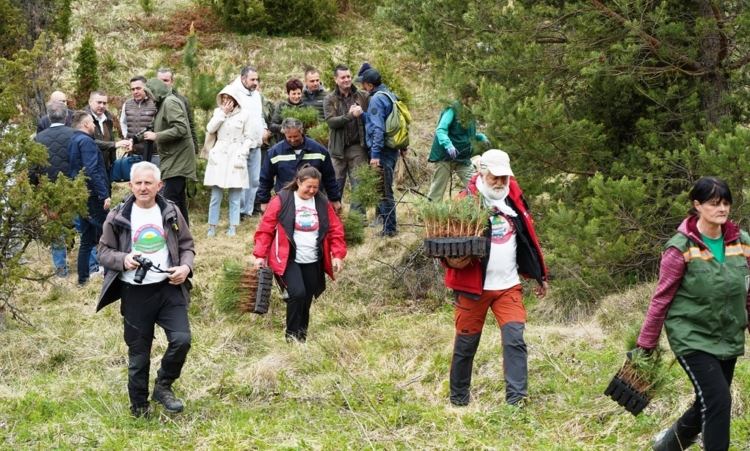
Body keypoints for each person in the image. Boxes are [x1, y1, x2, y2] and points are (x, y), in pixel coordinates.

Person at [635, 177, 750, 451]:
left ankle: (666, 447)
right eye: (714, 203)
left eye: (725, 203)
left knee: (707, 401)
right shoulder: (681, 248)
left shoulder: (742, 243)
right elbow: (661, 299)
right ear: (697, 205)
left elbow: (748, 295)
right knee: (719, 399)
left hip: (727, 335)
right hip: (692, 336)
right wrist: (645, 345)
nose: (722, 209)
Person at [441, 149, 548, 407]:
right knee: (466, 346)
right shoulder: (464, 202)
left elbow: (528, 238)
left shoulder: (514, 200)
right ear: (482, 173)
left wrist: (539, 274)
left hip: (508, 286)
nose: (500, 183)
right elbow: (445, 245)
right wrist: (452, 260)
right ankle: (458, 402)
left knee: (515, 340)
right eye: (495, 178)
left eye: (505, 178)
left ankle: (517, 402)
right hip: (471, 288)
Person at [96, 161, 194, 419]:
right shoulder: (118, 215)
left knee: (182, 340)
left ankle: (163, 386)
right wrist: (123, 260)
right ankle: (139, 407)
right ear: (130, 185)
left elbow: (187, 246)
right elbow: (103, 251)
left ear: (159, 185)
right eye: (138, 183)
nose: (143, 187)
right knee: (139, 354)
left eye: (148, 183)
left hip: (168, 288)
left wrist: (185, 268)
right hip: (135, 291)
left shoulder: (171, 211)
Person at [253, 165, 346, 342]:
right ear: (298, 182)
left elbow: (335, 230)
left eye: (316, 187)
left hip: (313, 259)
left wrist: (338, 255)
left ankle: (301, 337)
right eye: (308, 186)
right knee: (297, 293)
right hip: (287, 258)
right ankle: (291, 337)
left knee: (306, 300)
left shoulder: (321, 202)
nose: (312, 191)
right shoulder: (282, 199)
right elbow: (265, 229)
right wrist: (259, 255)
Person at [142, 78, 196, 226]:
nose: (149, 98)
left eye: (150, 94)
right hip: (173, 157)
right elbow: (153, 126)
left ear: (156, 91)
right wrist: (135, 138)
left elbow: (181, 128)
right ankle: (183, 233)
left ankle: (175, 232)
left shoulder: (170, 103)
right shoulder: (162, 104)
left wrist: (157, 136)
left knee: (171, 198)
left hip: (178, 158)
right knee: (178, 198)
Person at [258, 118, 341, 213]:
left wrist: (334, 199)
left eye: (296, 136)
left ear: (302, 131)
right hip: (285, 199)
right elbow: (265, 178)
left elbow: (329, 177)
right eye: (289, 137)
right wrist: (264, 201)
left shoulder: (319, 150)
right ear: (284, 133)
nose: (292, 140)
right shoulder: (274, 152)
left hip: (313, 198)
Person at [202, 86, 254, 237]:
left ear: (235, 100)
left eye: (229, 99)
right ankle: (212, 225)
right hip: (219, 153)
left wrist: (242, 153)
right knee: (216, 195)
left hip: (236, 153)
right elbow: (210, 128)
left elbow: (249, 137)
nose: (226, 102)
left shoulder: (245, 114)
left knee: (235, 195)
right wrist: (222, 114)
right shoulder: (218, 113)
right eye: (223, 99)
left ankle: (233, 226)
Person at [67, 110, 111, 287]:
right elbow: (92, 170)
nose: (94, 125)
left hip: (81, 195)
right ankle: (111, 272)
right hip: (93, 196)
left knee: (86, 239)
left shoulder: (72, 141)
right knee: (110, 232)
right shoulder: (86, 142)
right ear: (86, 124)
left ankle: (83, 279)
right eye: (92, 123)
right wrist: (104, 194)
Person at [33, 100, 75, 277]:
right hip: (74, 188)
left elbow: (32, 169)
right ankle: (90, 266)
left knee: (55, 228)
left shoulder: (38, 138)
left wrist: (37, 191)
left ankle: (60, 269)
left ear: (48, 117)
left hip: (49, 191)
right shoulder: (74, 134)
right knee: (81, 225)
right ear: (67, 116)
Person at [361, 68, 404, 237]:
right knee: (386, 188)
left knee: (384, 190)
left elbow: (378, 128)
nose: (362, 86)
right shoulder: (390, 95)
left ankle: (389, 229)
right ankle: (389, 226)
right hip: (392, 148)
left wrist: (375, 155)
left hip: (383, 151)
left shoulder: (376, 100)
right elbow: (397, 123)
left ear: (370, 85)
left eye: (363, 83)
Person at [323, 64, 370, 214]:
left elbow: (372, 117)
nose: (346, 80)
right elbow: (331, 121)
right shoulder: (330, 99)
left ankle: (358, 219)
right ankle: (332, 217)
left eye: (348, 76)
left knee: (359, 184)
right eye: (343, 77)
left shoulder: (362, 96)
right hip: (337, 149)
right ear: (336, 79)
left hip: (358, 147)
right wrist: (351, 116)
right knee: (335, 184)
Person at [427, 98, 490, 202]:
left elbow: (469, 136)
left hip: (463, 157)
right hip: (445, 156)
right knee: (437, 190)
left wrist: (481, 137)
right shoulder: (453, 109)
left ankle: (480, 216)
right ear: (467, 96)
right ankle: (427, 216)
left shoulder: (471, 113)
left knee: (477, 187)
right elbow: (441, 129)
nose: (477, 101)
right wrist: (448, 145)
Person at [230, 66, 271, 219]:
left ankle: (248, 210)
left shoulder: (257, 95)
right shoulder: (233, 92)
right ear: (243, 79)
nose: (255, 82)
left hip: (256, 143)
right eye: (252, 79)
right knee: (240, 178)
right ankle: (238, 211)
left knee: (254, 179)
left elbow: (258, 116)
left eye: (256, 79)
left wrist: (264, 128)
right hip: (240, 144)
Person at [83, 90, 131, 172]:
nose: (101, 106)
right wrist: (115, 144)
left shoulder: (108, 118)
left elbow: (109, 140)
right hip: (90, 167)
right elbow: (88, 142)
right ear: (90, 102)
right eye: (99, 102)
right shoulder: (82, 118)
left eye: (104, 103)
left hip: (107, 167)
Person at [157, 68, 199, 156]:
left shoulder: (182, 100)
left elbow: (189, 124)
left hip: (179, 147)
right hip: (158, 148)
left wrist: (194, 147)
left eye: (165, 80)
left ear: (172, 82)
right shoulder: (153, 99)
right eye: (159, 81)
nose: (162, 84)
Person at [119, 76, 157, 159]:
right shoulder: (127, 104)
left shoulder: (154, 103)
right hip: (133, 153)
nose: (135, 92)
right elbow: (123, 121)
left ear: (146, 88)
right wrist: (126, 135)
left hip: (153, 154)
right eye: (133, 89)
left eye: (138, 88)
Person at [269, 78, 306, 142]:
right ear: (288, 93)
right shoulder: (282, 106)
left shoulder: (306, 107)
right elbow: (272, 125)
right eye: (294, 94)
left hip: (302, 142)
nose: (296, 96)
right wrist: (282, 128)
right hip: (284, 142)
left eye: (299, 93)